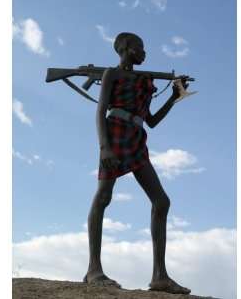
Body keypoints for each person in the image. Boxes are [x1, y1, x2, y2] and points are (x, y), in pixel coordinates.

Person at [83, 32, 192, 295]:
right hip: (115, 133)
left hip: (136, 138)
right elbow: (100, 112)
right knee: (104, 196)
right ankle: (93, 269)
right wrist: (104, 147)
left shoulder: (144, 81)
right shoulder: (112, 74)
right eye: (140, 47)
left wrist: (175, 96)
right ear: (125, 48)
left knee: (161, 201)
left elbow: (151, 121)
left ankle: (160, 276)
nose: (144, 52)